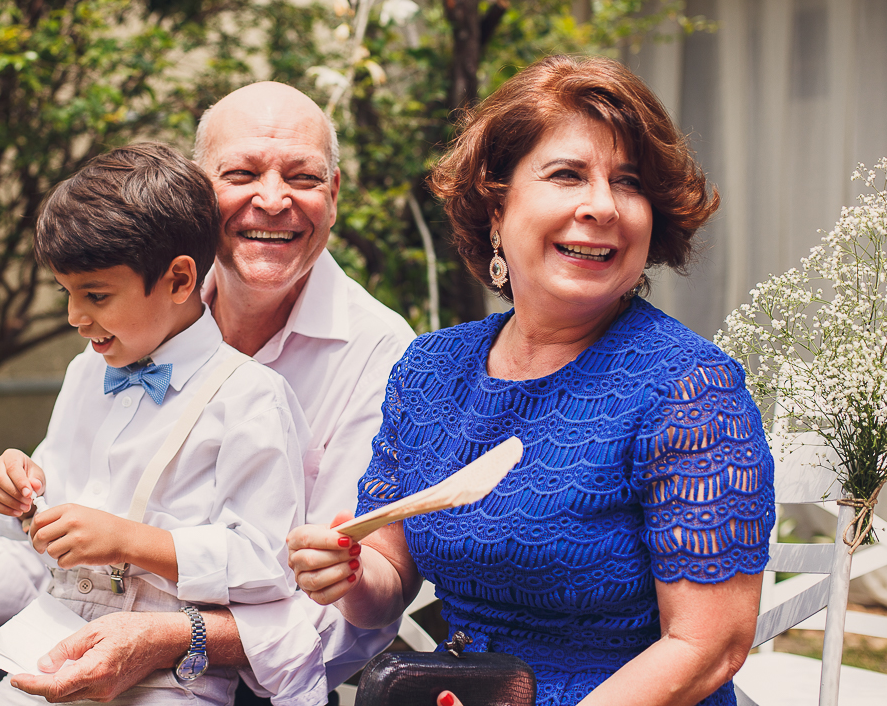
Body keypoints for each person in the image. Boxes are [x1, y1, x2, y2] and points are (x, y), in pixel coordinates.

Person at [0, 83, 415, 706]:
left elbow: (319, 606)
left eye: (301, 177)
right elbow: (35, 549)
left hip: (239, 677)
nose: (272, 200)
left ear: (332, 192)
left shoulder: (373, 356)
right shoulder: (113, 341)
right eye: (241, 174)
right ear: (197, 190)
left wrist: (160, 630)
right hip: (70, 633)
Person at [287, 55, 776, 706]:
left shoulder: (689, 388)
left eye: (627, 183)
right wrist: (344, 574)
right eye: (568, 175)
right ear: (496, 206)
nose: (602, 206)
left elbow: (706, 646)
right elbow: (386, 585)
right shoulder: (430, 371)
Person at [0, 142, 310, 705]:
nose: (76, 317)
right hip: (53, 647)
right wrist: (18, 490)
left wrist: (131, 541)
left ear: (180, 280)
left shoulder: (251, 398)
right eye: (68, 293)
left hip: (170, 678)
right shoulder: (87, 373)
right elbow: (46, 517)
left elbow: (267, 564)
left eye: (96, 295)